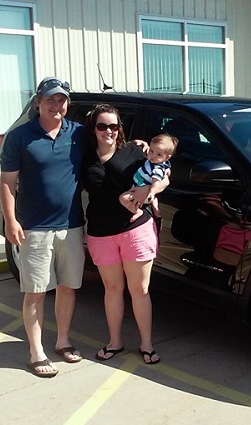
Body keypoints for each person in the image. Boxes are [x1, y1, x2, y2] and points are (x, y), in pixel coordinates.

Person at [0, 77, 85, 377]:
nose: (56, 104)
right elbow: (8, 183)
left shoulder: (78, 134)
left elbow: (110, 147)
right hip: (33, 228)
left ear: (67, 103)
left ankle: (63, 341)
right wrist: (11, 221)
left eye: (61, 99)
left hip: (72, 226)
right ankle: (36, 351)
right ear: (38, 102)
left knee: (68, 287)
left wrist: (138, 147)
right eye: (50, 99)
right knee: (35, 291)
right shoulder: (20, 137)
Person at [82, 103, 168, 365]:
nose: (108, 130)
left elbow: (163, 174)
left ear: (119, 127)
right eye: (102, 126)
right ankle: (115, 342)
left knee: (139, 289)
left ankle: (146, 344)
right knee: (112, 288)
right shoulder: (84, 156)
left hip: (135, 229)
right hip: (101, 232)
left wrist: (149, 192)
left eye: (113, 125)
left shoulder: (135, 150)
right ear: (94, 129)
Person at [119, 133, 177, 222]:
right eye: (151, 151)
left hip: (142, 191)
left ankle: (137, 211)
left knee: (123, 198)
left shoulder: (157, 168)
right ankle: (155, 208)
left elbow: (156, 181)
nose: (153, 156)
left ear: (167, 157)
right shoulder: (155, 162)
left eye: (159, 155)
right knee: (154, 199)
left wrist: (151, 192)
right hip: (142, 187)